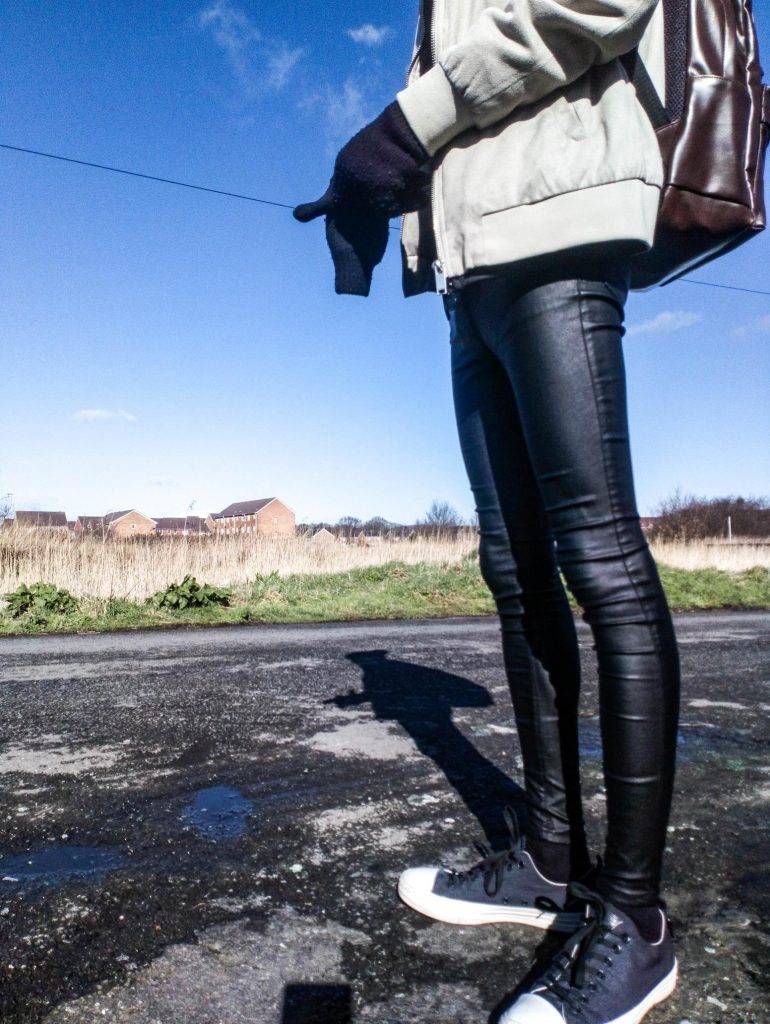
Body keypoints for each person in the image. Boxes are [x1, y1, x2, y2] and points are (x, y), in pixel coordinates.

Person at [294, 2, 681, 1022]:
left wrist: (402, 127)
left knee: (600, 560)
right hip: (470, 273)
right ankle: (548, 861)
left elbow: (597, 9)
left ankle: (635, 921)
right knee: (512, 568)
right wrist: (383, 186)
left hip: (555, 225)